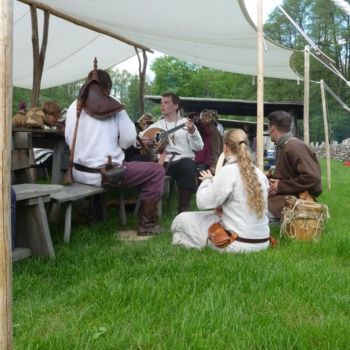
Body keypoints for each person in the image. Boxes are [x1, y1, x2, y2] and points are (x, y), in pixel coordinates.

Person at [65, 68, 165, 235]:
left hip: (78, 173)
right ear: (108, 87)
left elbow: (69, 140)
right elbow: (127, 140)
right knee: (156, 171)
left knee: (103, 163)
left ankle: (94, 215)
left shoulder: (74, 105)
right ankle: (147, 225)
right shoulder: (112, 103)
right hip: (106, 176)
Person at [171, 128, 270, 253]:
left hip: (236, 244)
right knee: (209, 218)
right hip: (262, 242)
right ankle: (185, 239)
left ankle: (185, 239)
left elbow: (202, 203)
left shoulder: (228, 171)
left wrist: (207, 180)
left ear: (226, 147)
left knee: (181, 220)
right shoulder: (259, 173)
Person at [136, 92, 204, 213]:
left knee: (188, 166)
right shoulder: (158, 124)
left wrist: (193, 131)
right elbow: (138, 139)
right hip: (161, 160)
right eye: (161, 103)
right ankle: (146, 206)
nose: (162, 105)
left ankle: (183, 211)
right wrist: (143, 142)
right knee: (135, 160)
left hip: (180, 160)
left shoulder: (187, 124)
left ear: (175, 106)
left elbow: (199, 147)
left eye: (166, 103)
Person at [266, 110, 323, 222]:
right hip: (285, 197)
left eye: (268, 127)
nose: (268, 131)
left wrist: (281, 186)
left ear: (272, 127)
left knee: (256, 219)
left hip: (295, 200)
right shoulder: (286, 145)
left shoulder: (294, 146)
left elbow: (312, 176)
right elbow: (290, 174)